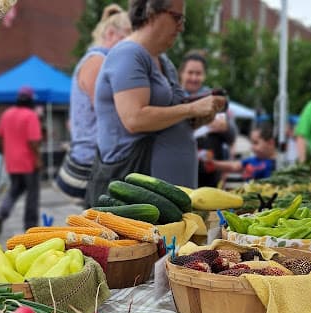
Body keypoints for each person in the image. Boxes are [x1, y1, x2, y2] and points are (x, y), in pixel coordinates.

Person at [88, 0, 226, 202]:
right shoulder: (128, 54)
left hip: (162, 195)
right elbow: (135, 119)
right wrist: (191, 109)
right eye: (177, 17)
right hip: (135, 191)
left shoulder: (163, 61)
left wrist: (200, 117)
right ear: (152, 12)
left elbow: (171, 117)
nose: (181, 27)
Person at [55, 4, 131, 201]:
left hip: (92, 157)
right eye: (126, 39)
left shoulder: (100, 59)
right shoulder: (98, 61)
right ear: (111, 33)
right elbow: (108, 110)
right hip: (91, 161)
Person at [178, 52, 236, 187]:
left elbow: (232, 136)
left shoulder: (215, 98)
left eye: (198, 73)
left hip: (209, 175)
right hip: (180, 169)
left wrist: (225, 127)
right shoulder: (172, 97)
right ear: (181, 73)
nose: (194, 77)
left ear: (204, 75)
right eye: (190, 72)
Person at [0, 87, 42, 233]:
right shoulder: (31, 115)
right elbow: (34, 141)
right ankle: (30, 227)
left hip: (12, 162)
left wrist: (8, 150)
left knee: (15, 190)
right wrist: (38, 159)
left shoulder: (7, 113)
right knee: (32, 195)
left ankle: (0, 213)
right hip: (28, 163)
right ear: (31, 100)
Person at [213, 122, 277, 181]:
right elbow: (233, 166)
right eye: (251, 143)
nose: (252, 147)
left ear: (270, 143)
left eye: (256, 143)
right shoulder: (253, 160)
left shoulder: (277, 164)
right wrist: (212, 163)